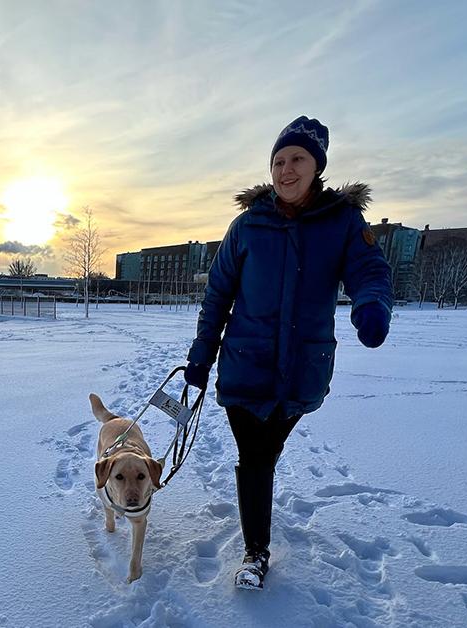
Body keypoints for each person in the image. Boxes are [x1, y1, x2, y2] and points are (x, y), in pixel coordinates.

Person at [182, 116, 393, 590]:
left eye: (297, 159)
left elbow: (369, 271)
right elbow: (217, 294)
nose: (286, 169)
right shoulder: (248, 225)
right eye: (278, 161)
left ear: (317, 165)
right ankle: (256, 553)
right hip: (245, 363)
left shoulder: (342, 222)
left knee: (266, 451)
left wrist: (372, 305)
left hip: (303, 367)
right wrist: (202, 354)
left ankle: (257, 527)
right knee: (253, 455)